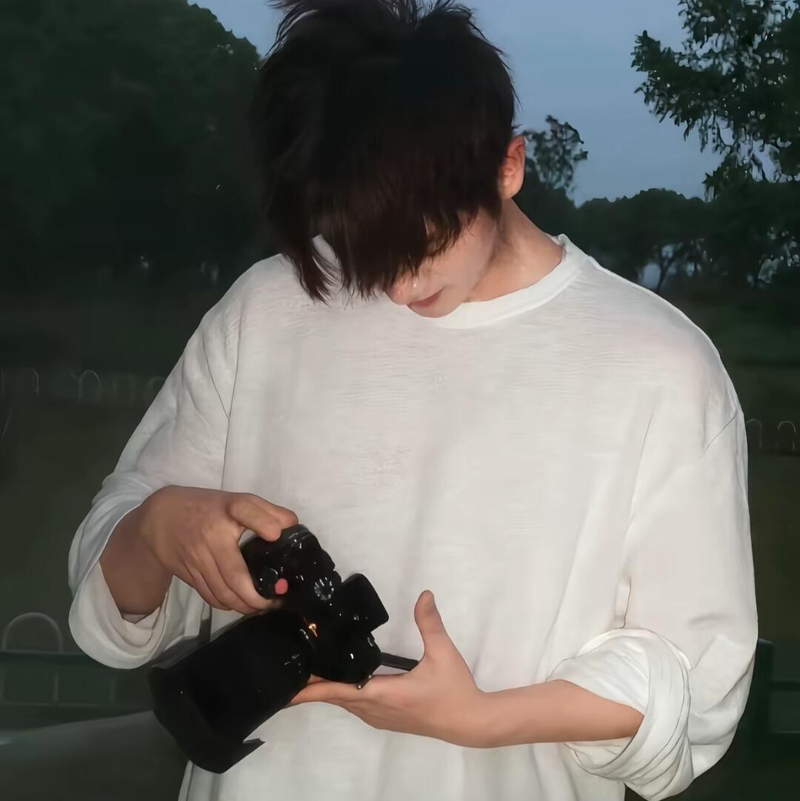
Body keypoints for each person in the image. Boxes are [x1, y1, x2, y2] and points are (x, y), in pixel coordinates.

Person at [67, 1, 758, 800]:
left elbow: (696, 688)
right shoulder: (268, 308)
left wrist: (484, 718)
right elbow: (108, 598)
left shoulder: (661, 366)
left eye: (421, 244)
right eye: (363, 250)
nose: (396, 287)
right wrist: (160, 528)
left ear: (507, 166)